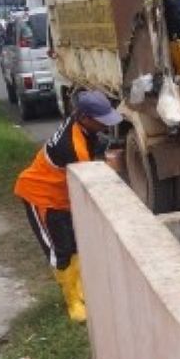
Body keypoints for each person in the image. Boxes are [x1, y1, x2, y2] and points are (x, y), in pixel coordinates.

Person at [14, 90, 123, 322]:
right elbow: (91, 186)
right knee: (61, 249)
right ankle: (72, 301)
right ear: (84, 117)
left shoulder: (79, 125)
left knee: (74, 245)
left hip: (62, 197)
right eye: (101, 121)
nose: (105, 125)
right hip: (41, 196)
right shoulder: (72, 148)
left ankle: (80, 289)